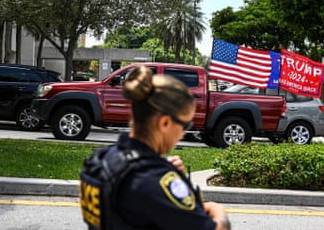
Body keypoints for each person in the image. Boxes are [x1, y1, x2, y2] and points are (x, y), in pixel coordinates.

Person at [85, 65, 231, 230]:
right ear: (165, 123)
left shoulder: (100, 160)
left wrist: (163, 169)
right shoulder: (156, 181)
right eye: (185, 124)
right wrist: (217, 210)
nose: (183, 133)